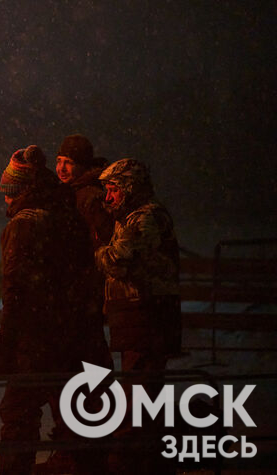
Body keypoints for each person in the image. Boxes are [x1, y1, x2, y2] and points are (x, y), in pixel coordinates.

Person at [0, 145, 97, 475]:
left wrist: (7, 345)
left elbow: (15, 291)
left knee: (18, 416)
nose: (5, 198)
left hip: (35, 338)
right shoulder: (70, 217)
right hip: (74, 334)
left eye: (10, 191)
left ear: (23, 191)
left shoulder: (23, 226)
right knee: (76, 415)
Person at [95, 159, 181, 474]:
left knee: (140, 388)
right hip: (136, 313)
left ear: (130, 188)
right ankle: (143, 455)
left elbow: (119, 260)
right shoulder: (131, 218)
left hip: (146, 314)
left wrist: (98, 251)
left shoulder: (145, 218)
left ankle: (135, 457)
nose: (108, 197)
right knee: (139, 384)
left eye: (114, 190)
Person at [56, 134, 115, 250]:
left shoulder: (92, 198)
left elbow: (102, 243)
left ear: (83, 166)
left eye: (69, 162)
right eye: (59, 161)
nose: (61, 168)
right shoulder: (67, 193)